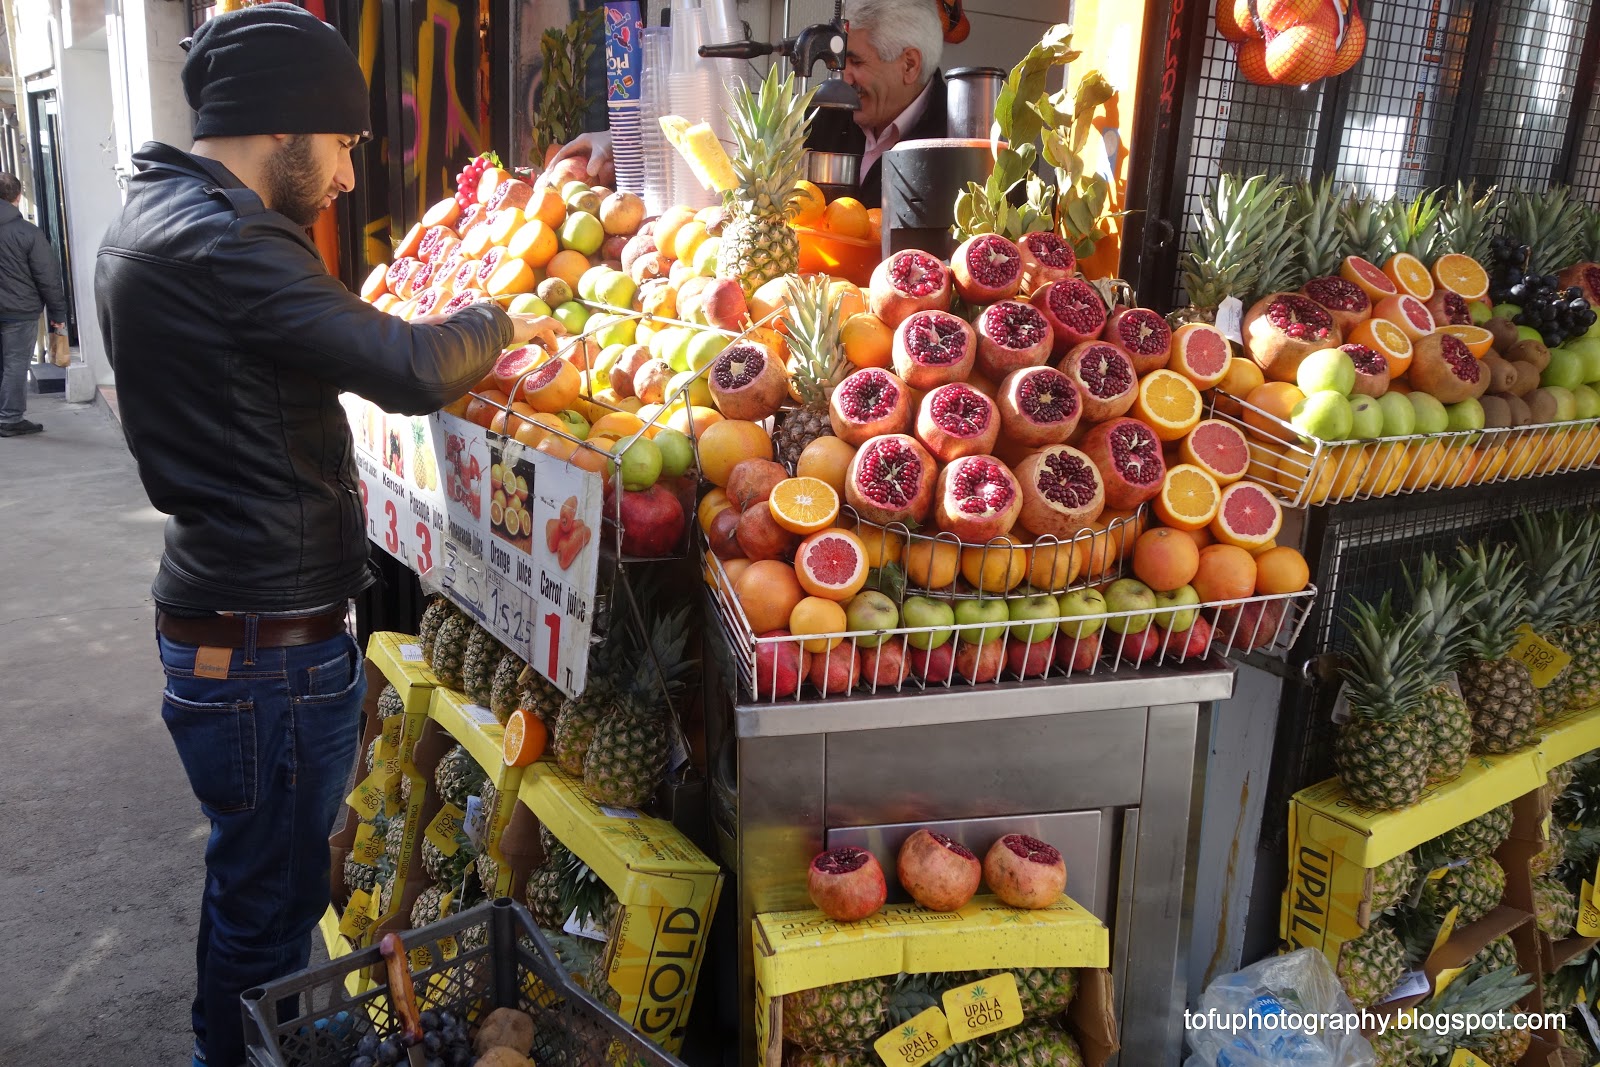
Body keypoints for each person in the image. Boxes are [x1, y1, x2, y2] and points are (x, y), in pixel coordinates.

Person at [93, 6, 560, 1066]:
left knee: (251, 892)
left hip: (224, 617)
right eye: (345, 144)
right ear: (285, 126)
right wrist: (504, 319)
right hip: (265, 645)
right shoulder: (225, 240)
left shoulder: (154, 215)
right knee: (269, 908)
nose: (349, 174)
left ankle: (235, 1045)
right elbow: (404, 364)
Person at [841, 0, 949, 209]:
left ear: (909, 65)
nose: (843, 79)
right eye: (840, 62)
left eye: (856, 62)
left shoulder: (964, 145)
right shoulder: (823, 114)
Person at [0, 171, 68, 437]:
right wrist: (58, 314)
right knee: (16, 363)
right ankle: (10, 418)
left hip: (16, 309)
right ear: (17, 197)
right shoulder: (27, 232)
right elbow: (48, 277)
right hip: (19, 311)